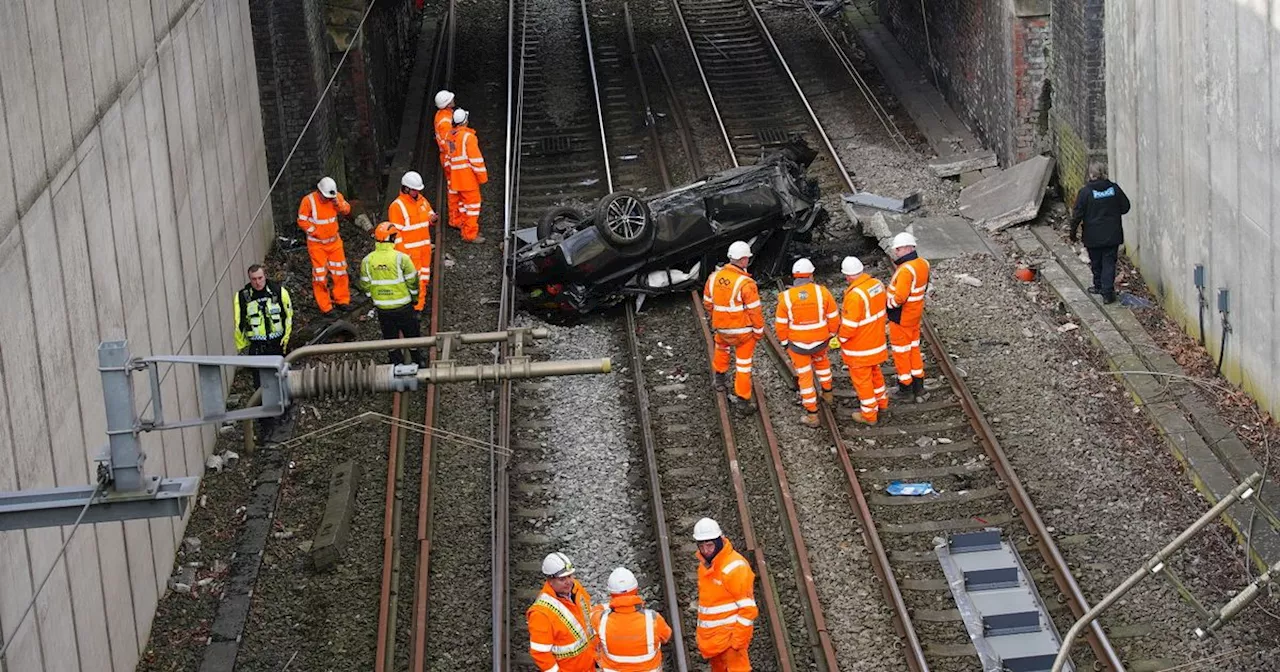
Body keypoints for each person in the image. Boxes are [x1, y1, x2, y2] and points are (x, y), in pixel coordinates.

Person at [774, 258, 839, 426]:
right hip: (820, 341)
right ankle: (828, 393)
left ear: (795, 277)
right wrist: (830, 334)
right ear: (811, 275)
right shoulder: (822, 292)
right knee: (822, 364)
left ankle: (812, 414)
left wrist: (784, 343)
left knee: (805, 377)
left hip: (798, 345)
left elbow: (780, 325)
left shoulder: (786, 297)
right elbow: (833, 317)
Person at [702, 241, 765, 414]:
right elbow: (755, 311)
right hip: (743, 332)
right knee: (743, 365)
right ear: (744, 260)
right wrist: (758, 331)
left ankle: (720, 379)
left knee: (721, 348)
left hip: (722, 329)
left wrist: (719, 317)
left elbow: (707, 303)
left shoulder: (714, 277)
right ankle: (742, 402)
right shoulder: (746, 283)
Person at [358, 223, 426, 367]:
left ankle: (396, 363)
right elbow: (413, 282)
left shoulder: (367, 260)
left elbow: (365, 284)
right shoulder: (402, 258)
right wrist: (414, 299)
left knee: (390, 337)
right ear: (392, 238)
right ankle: (418, 361)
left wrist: (375, 298)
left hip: (383, 309)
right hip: (403, 307)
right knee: (412, 335)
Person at [693, 518, 756, 672]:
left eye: (709, 545)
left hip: (729, 643)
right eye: (702, 546)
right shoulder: (706, 567)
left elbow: (749, 610)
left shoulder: (735, 568)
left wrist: (737, 642)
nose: (706, 550)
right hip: (715, 642)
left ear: (719, 541)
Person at [836, 256, 889, 425]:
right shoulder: (877, 284)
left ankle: (869, 415)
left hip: (860, 349)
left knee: (863, 381)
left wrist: (839, 339)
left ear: (848, 276)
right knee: (876, 374)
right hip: (877, 343)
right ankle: (882, 403)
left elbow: (849, 326)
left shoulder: (855, 296)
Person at [1069, 162, 1131, 304]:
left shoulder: (1085, 192)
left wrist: (1072, 233)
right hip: (1112, 234)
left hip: (1093, 235)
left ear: (1091, 175)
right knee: (1109, 263)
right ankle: (1107, 293)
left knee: (1096, 262)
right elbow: (1126, 207)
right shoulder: (1114, 189)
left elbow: (1077, 215)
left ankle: (1098, 286)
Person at [590, 567, 673, 672]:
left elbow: (591, 614)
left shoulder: (600, 620)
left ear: (611, 594)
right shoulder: (653, 619)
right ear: (636, 589)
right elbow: (666, 636)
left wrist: (609, 606)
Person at [527, 552, 597, 672]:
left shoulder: (576, 589)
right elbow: (540, 653)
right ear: (550, 580)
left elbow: (588, 622)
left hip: (589, 664)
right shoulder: (541, 613)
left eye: (570, 576)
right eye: (562, 579)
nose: (569, 582)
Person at [296, 176, 352, 313]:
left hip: (334, 242)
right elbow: (302, 220)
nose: (326, 200)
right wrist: (315, 232)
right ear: (319, 191)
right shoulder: (308, 201)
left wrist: (337, 203)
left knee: (340, 272)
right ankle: (326, 307)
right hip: (317, 245)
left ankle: (342, 300)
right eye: (325, 197)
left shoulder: (335, 197)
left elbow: (347, 210)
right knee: (320, 277)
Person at [233, 263, 293, 389]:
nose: (257, 282)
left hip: (277, 344)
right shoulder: (242, 297)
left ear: (265, 276)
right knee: (259, 383)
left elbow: (288, 317)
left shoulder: (279, 292)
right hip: (256, 346)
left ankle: (285, 406)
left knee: (282, 379)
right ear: (249, 279)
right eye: (254, 279)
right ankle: (262, 406)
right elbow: (239, 324)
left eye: (260, 278)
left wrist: (286, 340)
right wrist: (242, 348)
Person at [886, 232, 930, 403]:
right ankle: (919, 385)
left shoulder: (906, 270)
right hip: (914, 315)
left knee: (901, 352)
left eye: (898, 249)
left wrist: (887, 303)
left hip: (902, 317)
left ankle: (905, 387)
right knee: (914, 349)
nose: (896, 252)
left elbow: (899, 298)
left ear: (907, 248)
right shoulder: (923, 264)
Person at [388, 170, 437, 310]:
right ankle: (417, 308)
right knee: (416, 280)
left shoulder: (422, 201)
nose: (417, 192)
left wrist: (432, 219)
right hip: (411, 252)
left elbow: (429, 214)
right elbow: (396, 234)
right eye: (415, 190)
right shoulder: (397, 206)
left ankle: (419, 303)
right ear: (406, 188)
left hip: (424, 249)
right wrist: (403, 254)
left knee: (424, 278)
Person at [446, 108, 488, 243]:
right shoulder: (468, 137)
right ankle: (470, 235)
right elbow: (476, 160)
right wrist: (482, 177)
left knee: (462, 206)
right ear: (465, 121)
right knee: (472, 208)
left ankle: (465, 229)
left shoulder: (450, 136)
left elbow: (448, 159)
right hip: (467, 180)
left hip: (455, 179)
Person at [433, 90, 462, 230]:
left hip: (448, 157)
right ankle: (455, 219)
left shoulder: (443, 115)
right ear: (447, 104)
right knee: (454, 189)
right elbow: (447, 143)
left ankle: (456, 217)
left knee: (454, 188)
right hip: (450, 158)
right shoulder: (445, 122)